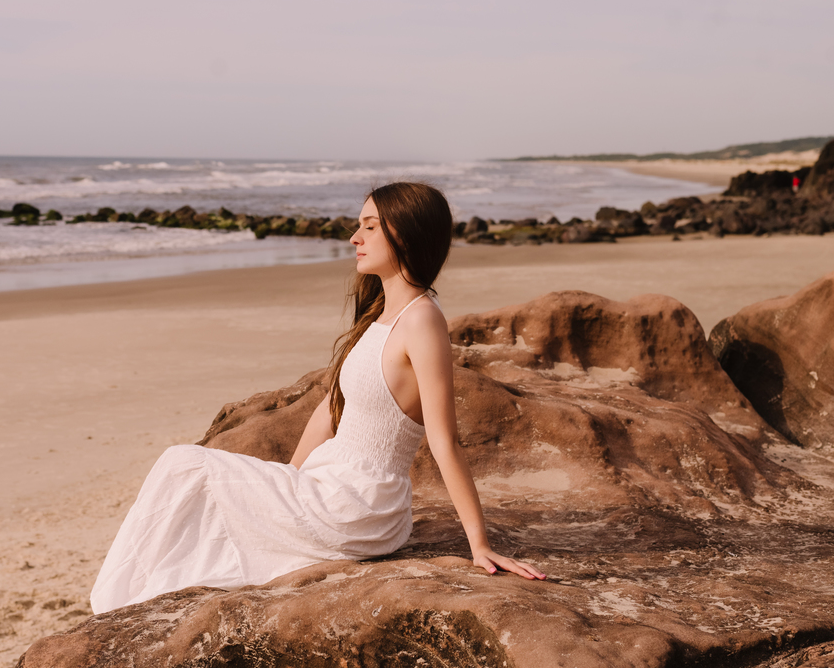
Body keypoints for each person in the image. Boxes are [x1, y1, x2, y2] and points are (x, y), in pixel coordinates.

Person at [90, 181, 545, 614]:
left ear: (405, 234)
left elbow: (445, 441)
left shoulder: (422, 321)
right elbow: (329, 415)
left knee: (182, 462)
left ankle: (116, 600)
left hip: (362, 504)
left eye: (369, 226)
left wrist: (479, 544)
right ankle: (132, 594)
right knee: (189, 471)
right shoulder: (379, 317)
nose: (354, 238)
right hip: (328, 487)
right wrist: (283, 482)